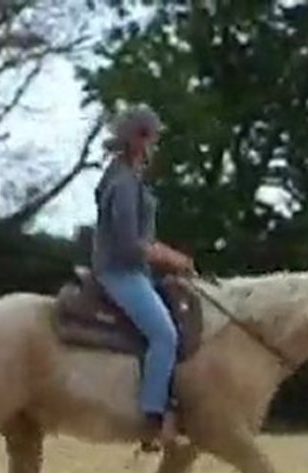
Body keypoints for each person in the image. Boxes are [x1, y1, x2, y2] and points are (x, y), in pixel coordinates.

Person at [92, 104, 195, 451]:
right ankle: (151, 419)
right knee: (164, 335)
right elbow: (129, 242)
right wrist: (170, 257)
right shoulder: (122, 182)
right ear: (138, 139)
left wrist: (169, 257)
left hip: (137, 270)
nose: (155, 145)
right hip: (120, 271)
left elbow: (142, 240)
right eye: (153, 138)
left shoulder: (128, 177)